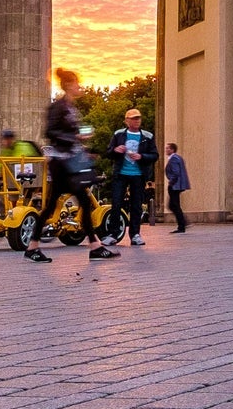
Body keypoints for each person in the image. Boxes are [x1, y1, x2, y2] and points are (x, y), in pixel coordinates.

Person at [27, 67, 119, 263]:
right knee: (80, 202)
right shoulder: (58, 107)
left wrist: (84, 150)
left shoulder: (70, 108)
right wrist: (74, 137)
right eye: (77, 84)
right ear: (69, 85)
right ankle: (94, 247)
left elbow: (69, 136)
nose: (80, 87)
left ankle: (33, 246)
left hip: (68, 162)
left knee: (56, 205)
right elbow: (50, 132)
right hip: (61, 164)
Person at [104, 107, 157, 248]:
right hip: (120, 174)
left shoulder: (147, 136)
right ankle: (113, 234)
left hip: (138, 175)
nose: (137, 121)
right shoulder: (118, 134)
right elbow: (108, 152)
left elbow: (154, 155)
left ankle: (135, 234)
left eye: (138, 118)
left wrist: (142, 156)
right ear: (127, 121)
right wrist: (115, 150)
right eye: (133, 118)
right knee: (116, 204)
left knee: (136, 205)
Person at [162, 142, 190, 233]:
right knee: (174, 205)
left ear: (172, 150)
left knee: (173, 205)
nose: (166, 150)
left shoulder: (173, 159)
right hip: (178, 185)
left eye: (168, 148)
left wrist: (171, 182)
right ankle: (183, 223)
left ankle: (182, 225)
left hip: (175, 185)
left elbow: (176, 172)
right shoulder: (178, 158)